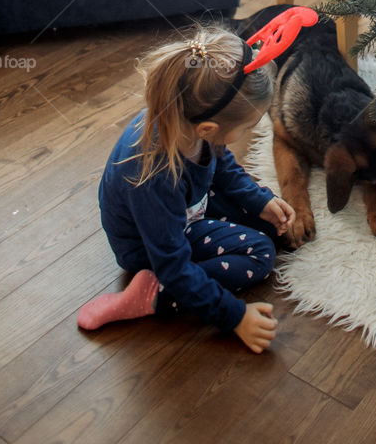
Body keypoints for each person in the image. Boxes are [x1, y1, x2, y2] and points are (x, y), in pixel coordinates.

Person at [76, 25, 294, 354]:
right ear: (208, 129)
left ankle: (182, 276)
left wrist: (259, 200)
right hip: (152, 249)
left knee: (271, 224)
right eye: (248, 127)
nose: (254, 130)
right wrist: (234, 316)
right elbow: (173, 264)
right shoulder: (153, 175)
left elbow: (222, 165)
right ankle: (155, 295)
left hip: (185, 208)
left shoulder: (188, 117)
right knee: (260, 253)